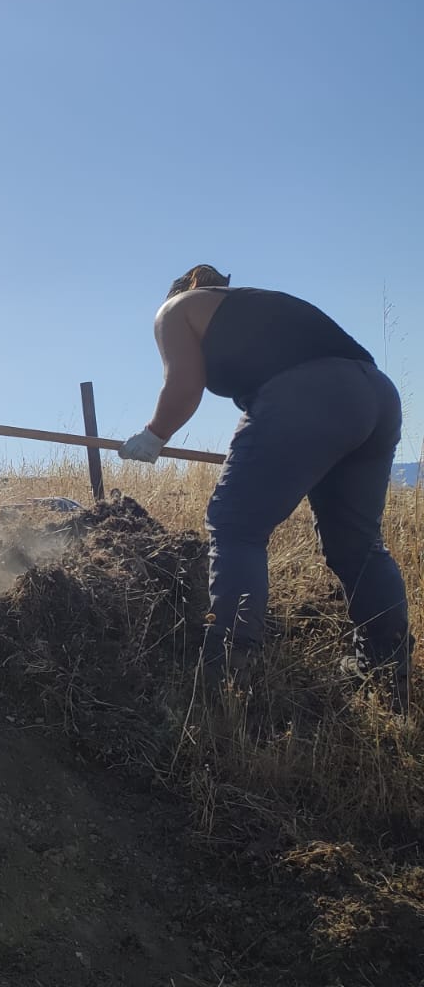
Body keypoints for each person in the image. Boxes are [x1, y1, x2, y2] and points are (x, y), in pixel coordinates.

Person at [119, 264, 411, 711]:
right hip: (375, 396)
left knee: (235, 525)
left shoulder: (175, 309)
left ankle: (226, 674)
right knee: (358, 545)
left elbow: (183, 385)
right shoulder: (254, 304)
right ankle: (388, 671)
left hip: (308, 394)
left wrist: (154, 434)